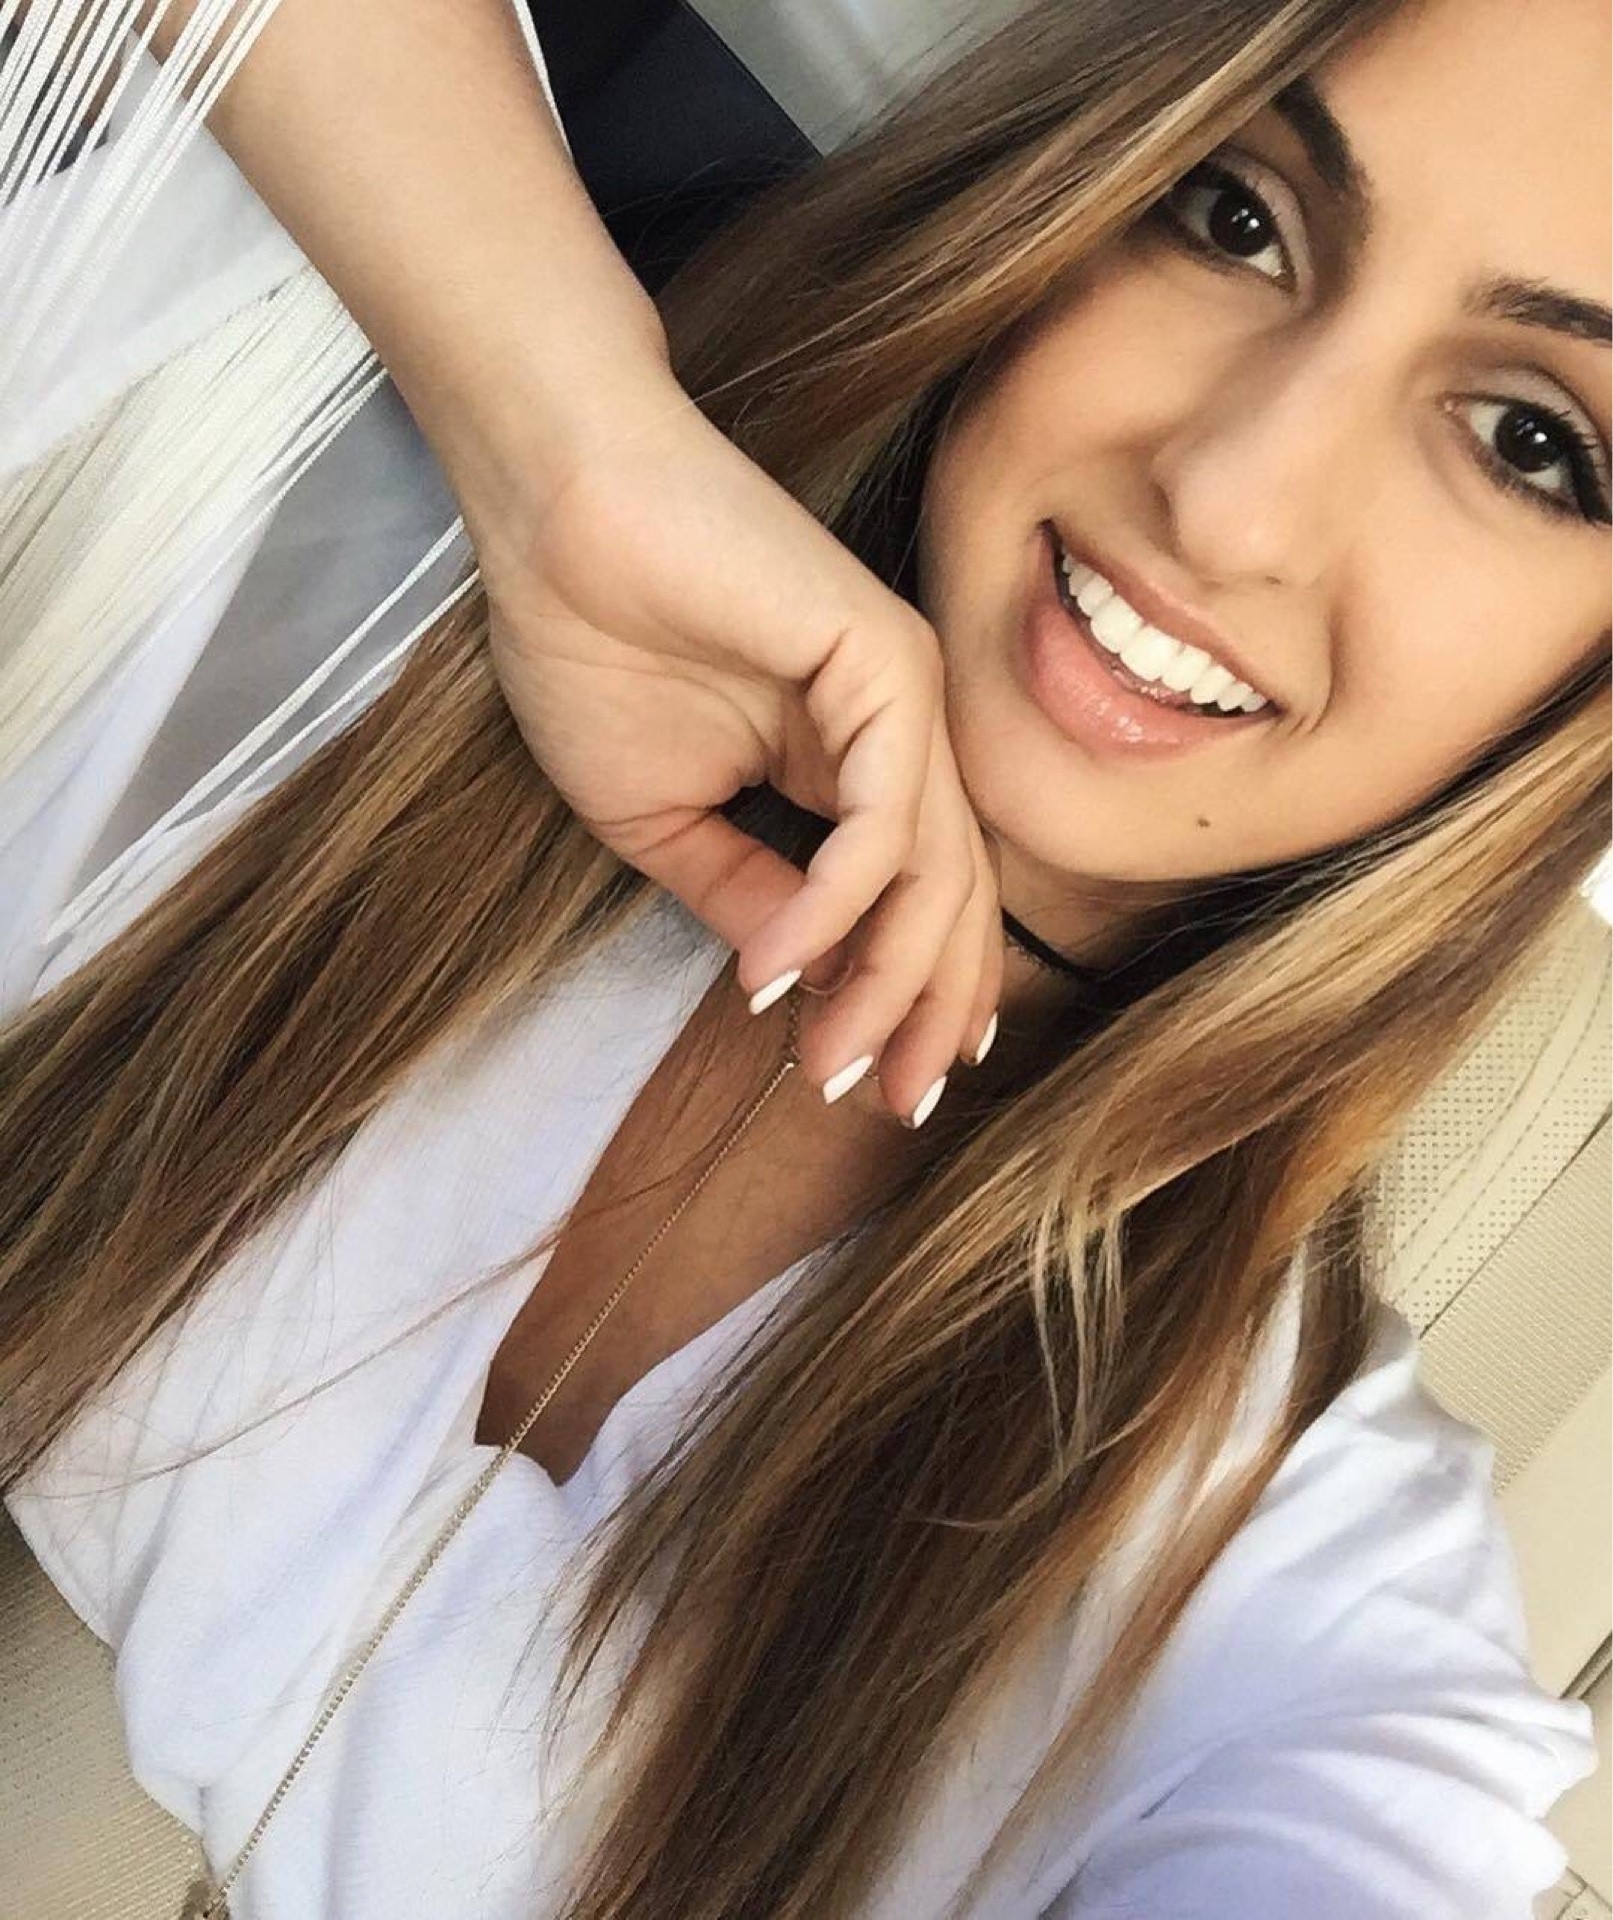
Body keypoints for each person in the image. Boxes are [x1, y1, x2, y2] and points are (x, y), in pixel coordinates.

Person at [0, 0, 1608, 1915]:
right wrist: (559, 447)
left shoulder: (1289, 1622)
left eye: (1532, 443)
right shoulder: (317, 563)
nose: (1227, 496)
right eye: (1233, 216)